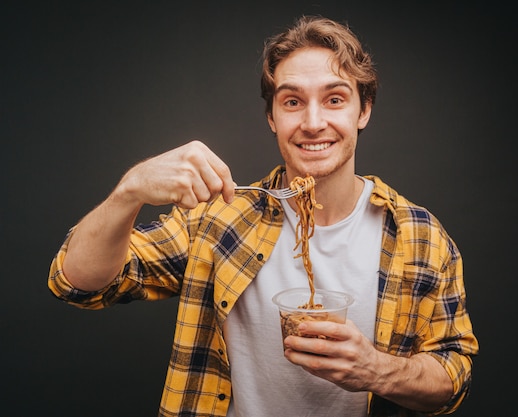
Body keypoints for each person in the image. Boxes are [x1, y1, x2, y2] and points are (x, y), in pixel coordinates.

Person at [48, 15, 479, 417]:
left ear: (363, 110)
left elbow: (453, 373)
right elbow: (79, 283)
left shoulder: (418, 235)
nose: (313, 122)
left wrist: (375, 369)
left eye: (334, 99)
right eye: (292, 101)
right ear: (271, 116)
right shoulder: (219, 219)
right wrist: (130, 191)